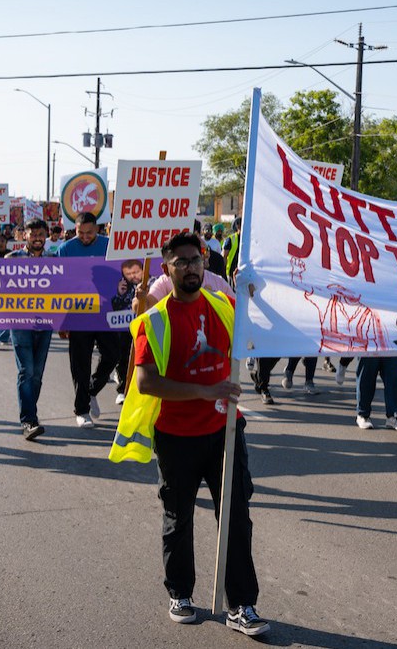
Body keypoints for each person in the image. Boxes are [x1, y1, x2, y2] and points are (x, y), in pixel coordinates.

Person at [124, 232, 269, 635]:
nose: (190, 267)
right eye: (181, 262)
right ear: (167, 270)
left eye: (196, 260)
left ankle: (242, 605)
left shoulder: (225, 305)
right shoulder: (153, 321)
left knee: (236, 516)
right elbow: (147, 382)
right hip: (176, 437)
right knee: (178, 516)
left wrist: (254, 288)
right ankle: (180, 593)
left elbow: (262, 322)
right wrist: (205, 391)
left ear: (205, 264)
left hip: (225, 431)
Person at [57, 212, 119, 428]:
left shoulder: (110, 246)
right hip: (78, 314)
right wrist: (61, 320)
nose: (84, 237)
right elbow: (60, 287)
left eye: (89, 233)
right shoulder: (65, 249)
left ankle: (91, 390)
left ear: (98, 229)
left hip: (106, 312)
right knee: (80, 364)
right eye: (80, 232)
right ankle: (81, 410)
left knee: (113, 355)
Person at [6, 220, 56, 440]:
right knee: (26, 370)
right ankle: (28, 420)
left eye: (40, 233)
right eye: (32, 233)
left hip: (45, 324)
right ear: (23, 235)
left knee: (37, 374)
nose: (37, 237)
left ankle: (30, 412)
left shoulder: (55, 261)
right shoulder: (11, 260)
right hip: (20, 323)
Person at [111, 259, 145, 406]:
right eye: (128, 274)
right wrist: (119, 293)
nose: (133, 276)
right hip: (125, 328)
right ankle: (122, 390)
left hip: (145, 326)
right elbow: (115, 307)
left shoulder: (151, 282)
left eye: (136, 272)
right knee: (124, 356)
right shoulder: (124, 285)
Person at [354, 356, 397, 430]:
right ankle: (363, 414)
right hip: (369, 346)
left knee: (394, 375)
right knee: (366, 375)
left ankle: (393, 415)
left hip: (391, 346)